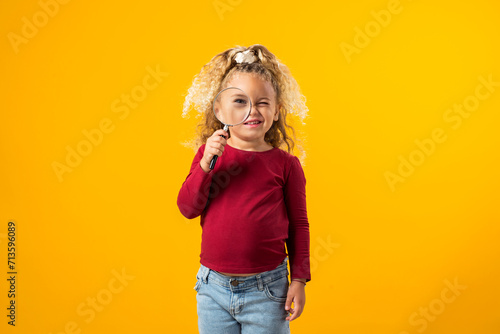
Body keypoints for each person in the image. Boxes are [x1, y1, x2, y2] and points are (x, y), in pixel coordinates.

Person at [177, 44, 310, 334]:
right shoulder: (208, 156)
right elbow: (188, 208)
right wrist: (206, 163)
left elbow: (299, 225)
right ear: (218, 109)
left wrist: (298, 280)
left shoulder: (286, 165)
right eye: (239, 101)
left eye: (262, 102)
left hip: (268, 291)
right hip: (213, 289)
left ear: (277, 111)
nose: (252, 110)